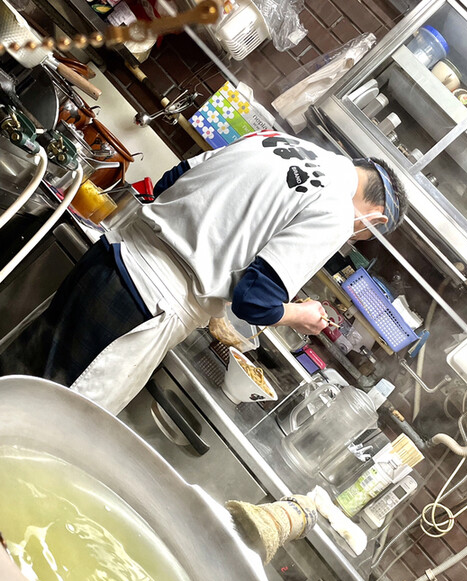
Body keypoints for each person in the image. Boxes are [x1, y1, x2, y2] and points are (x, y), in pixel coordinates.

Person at [0, 130, 407, 414]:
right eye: (363, 234)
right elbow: (254, 301)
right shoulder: (338, 211)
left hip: (109, 259)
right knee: (40, 421)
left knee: (13, 381)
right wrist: (299, 314)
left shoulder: (274, 139)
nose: (353, 237)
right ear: (377, 217)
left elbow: (170, 181)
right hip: (144, 309)